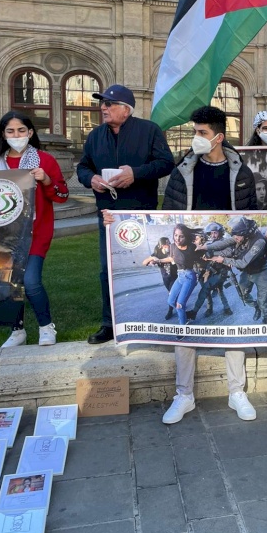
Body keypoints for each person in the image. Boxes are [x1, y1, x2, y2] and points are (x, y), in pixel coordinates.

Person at [161, 106, 259, 425]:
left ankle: (236, 391)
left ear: (218, 137)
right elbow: (167, 214)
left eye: (201, 133)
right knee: (187, 324)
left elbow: (252, 217)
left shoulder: (241, 173)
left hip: (222, 255)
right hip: (194, 258)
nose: (195, 138)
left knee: (233, 332)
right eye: (194, 132)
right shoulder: (183, 170)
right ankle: (184, 395)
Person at [77, 84, 175, 344]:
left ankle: (146, 316)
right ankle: (110, 323)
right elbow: (83, 167)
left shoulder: (149, 130)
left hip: (140, 211)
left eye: (108, 103)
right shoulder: (95, 135)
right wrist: (91, 179)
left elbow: (166, 163)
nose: (103, 108)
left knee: (146, 264)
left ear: (125, 108)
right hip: (108, 215)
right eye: (102, 103)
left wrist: (136, 173)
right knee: (106, 270)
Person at [0, 112, 69, 347]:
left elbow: (62, 195)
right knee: (9, 282)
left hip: (36, 231)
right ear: (3, 134)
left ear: (30, 133)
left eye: (21, 130)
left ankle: (46, 327)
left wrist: (45, 181)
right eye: (10, 131)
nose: (16, 135)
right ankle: (17, 331)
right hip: (4, 234)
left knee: (31, 281)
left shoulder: (45, 160)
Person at [210, 216, 267, 324]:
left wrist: (224, 260)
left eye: (237, 236)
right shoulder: (241, 238)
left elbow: (243, 263)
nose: (235, 238)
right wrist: (209, 250)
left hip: (260, 272)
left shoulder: (259, 241)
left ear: (245, 234)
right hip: (247, 272)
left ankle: (266, 318)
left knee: (263, 299)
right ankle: (256, 306)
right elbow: (226, 247)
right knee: (244, 296)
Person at [188, 222, 233, 320]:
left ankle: (195, 311)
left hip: (221, 271)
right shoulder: (209, 243)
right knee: (214, 290)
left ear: (220, 233)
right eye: (212, 233)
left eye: (215, 233)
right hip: (211, 271)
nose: (213, 235)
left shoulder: (225, 242)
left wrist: (212, 253)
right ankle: (215, 308)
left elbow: (229, 252)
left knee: (211, 289)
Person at [142, 237, 178, 320]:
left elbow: (171, 259)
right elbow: (144, 262)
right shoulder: (157, 253)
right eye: (165, 245)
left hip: (174, 276)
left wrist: (158, 261)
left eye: (168, 244)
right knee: (171, 293)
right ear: (161, 246)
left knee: (171, 294)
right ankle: (177, 303)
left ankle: (170, 311)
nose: (168, 246)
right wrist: (152, 258)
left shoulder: (173, 251)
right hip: (165, 277)